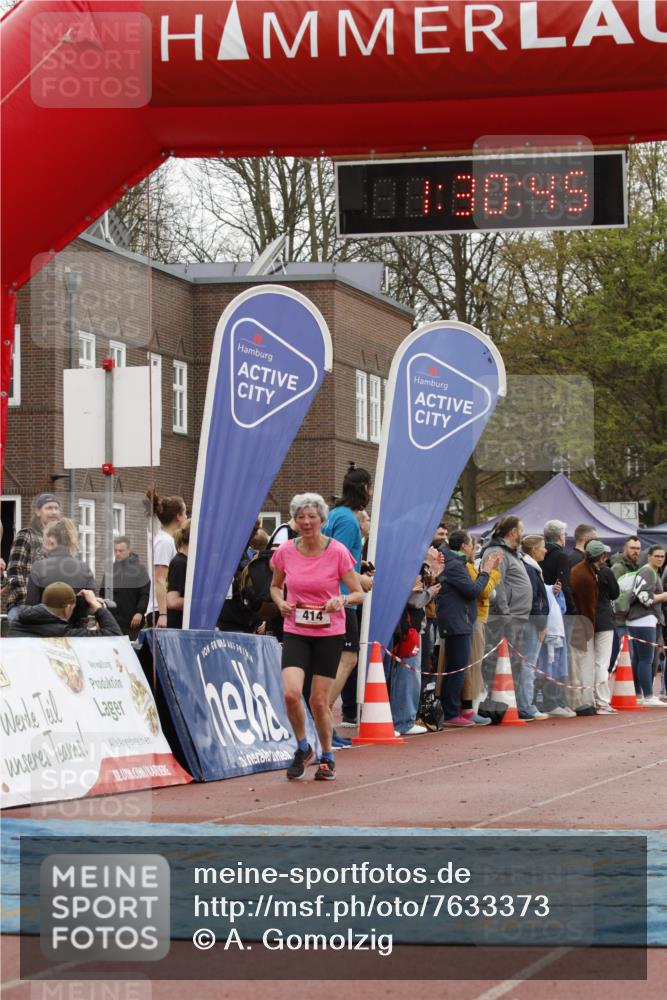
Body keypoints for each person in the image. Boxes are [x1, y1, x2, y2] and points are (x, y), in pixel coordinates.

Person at [270, 492, 364, 782]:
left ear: (322, 520)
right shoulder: (285, 551)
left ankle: (327, 756)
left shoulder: (336, 552)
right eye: (301, 517)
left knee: (319, 701)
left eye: (312, 516)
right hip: (296, 630)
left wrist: (342, 600)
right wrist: (280, 602)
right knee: (290, 693)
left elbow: (358, 591)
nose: (307, 521)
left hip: (329, 633)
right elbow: (275, 586)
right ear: (295, 521)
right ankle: (302, 747)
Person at [322, 465, 374, 741]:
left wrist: (358, 564)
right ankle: (322, 716)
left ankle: (322, 716)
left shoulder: (336, 515)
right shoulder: (347, 520)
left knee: (339, 660)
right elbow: (335, 559)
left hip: (339, 596)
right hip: (343, 598)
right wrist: (359, 579)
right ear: (364, 488)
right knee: (347, 658)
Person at [436, 530, 502, 727]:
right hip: (457, 621)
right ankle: (450, 712)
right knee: (457, 668)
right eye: (472, 545)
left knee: (456, 667)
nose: (474, 550)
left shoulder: (456, 563)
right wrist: (486, 571)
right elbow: (474, 590)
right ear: (464, 546)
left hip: (460, 619)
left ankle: (452, 710)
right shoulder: (455, 565)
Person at [482, 516, 533, 694]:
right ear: (513, 532)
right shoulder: (497, 552)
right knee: (502, 662)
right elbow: (497, 583)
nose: (523, 534)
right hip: (505, 619)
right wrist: (504, 613)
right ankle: (498, 702)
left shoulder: (512, 553)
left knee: (513, 663)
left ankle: (508, 702)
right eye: (522, 530)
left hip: (516, 617)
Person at [570, 540, 620, 714]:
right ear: (603, 556)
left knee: (586, 662)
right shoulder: (606, 572)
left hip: (584, 620)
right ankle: (602, 701)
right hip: (604, 620)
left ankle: (586, 700)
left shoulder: (577, 571)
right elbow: (615, 593)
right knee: (601, 663)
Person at [460, 535, 501, 724]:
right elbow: (483, 591)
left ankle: (468, 706)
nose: (473, 550)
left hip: (477, 619)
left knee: (473, 663)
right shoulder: (468, 568)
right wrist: (492, 572)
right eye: (472, 546)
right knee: (472, 663)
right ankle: (466, 708)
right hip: (474, 619)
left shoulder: (470, 568)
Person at [26, 518, 96, 626]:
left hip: (44, 634)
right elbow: (90, 604)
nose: (43, 544)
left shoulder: (39, 567)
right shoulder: (84, 568)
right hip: (76, 634)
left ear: (51, 540)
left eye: (44, 539)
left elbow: (31, 606)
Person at [5, 492, 61, 621]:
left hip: (50, 609)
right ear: (37, 511)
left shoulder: (60, 540)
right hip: (23, 607)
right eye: (49, 508)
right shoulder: (26, 534)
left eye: (56, 508)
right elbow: (14, 570)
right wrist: (28, 600)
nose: (53, 512)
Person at [626, 545, 667, 707]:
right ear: (649, 556)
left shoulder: (649, 571)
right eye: (657, 556)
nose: (660, 559)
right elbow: (645, 598)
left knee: (638, 659)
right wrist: (663, 596)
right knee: (645, 659)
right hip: (644, 619)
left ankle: (639, 694)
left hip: (638, 619)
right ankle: (648, 695)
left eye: (662, 556)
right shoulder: (648, 572)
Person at [9, 582, 122, 638]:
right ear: (67, 609)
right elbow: (114, 635)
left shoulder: (17, 622)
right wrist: (95, 605)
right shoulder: (62, 633)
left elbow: (52, 620)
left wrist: (75, 606)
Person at [144, 490, 187, 628]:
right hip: (161, 610)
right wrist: (163, 615)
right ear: (178, 516)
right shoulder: (164, 542)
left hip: (166, 610)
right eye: (185, 513)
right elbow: (159, 579)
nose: (187, 517)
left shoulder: (169, 540)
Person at [518, 535, 551, 720]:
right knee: (528, 664)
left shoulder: (533, 568)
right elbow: (534, 598)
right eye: (543, 547)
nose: (545, 550)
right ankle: (526, 705)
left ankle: (526, 703)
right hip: (532, 623)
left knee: (527, 664)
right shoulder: (530, 569)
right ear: (533, 550)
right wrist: (541, 623)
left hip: (532, 621)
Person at [100, 536, 150, 637]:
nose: (117, 554)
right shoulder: (110, 570)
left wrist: (140, 612)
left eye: (121, 551)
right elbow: (102, 594)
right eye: (115, 550)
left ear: (129, 550)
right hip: (113, 623)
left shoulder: (140, 570)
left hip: (132, 622)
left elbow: (145, 594)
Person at [166, 520, 190, 629]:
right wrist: (203, 603)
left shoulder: (186, 562)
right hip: (179, 628)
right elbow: (172, 601)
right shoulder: (179, 563)